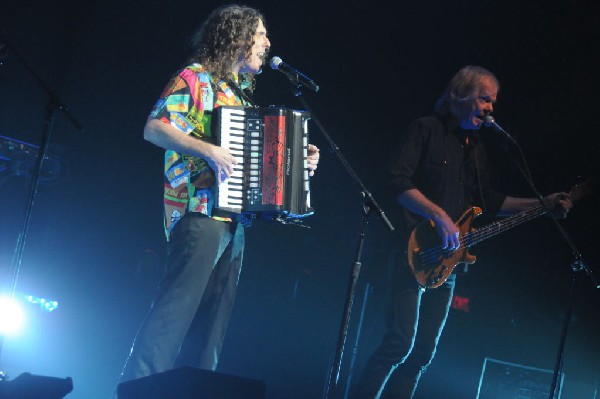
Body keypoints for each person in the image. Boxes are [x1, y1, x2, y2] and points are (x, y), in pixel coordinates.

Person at [118, 4, 320, 384]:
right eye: (260, 34)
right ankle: (133, 391)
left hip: (234, 220)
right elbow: (155, 128)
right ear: (237, 38)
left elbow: (261, 166)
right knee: (172, 316)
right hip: (198, 212)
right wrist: (207, 149)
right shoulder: (197, 78)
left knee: (211, 331)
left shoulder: (240, 96)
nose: (267, 42)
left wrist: (300, 165)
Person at [352, 66, 572, 398]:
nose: (490, 109)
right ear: (460, 96)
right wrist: (439, 215)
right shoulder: (425, 129)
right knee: (398, 344)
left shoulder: (476, 149)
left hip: (448, 263)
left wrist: (541, 203)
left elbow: (490, 201)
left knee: (423, 354)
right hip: (411, 251)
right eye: (485, 99)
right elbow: (397, 181)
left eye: (493, 102)